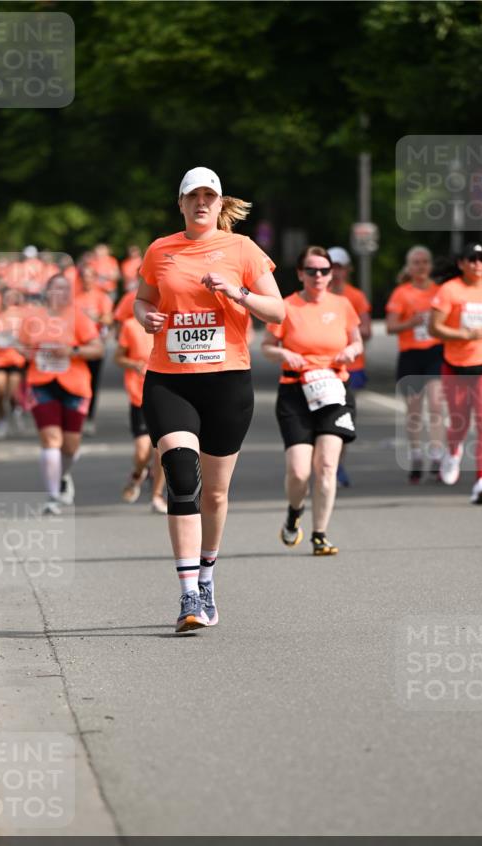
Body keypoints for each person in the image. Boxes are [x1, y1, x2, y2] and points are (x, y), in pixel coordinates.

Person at [135, 166, 284, 631]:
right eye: (193, 196)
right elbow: (142, 300)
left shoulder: (243, 249)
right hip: (170, 380)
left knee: (215, 494)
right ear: (180, 203)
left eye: (209, 196)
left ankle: (206, 577)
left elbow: (277, 311)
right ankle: (187, 597)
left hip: (227, 383)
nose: (201, 203)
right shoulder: (160, 250)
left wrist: (238, 293)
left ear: (220, 204)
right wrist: (145, 318)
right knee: (182, 478)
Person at [262, 246, 362, 556]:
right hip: (296, 392)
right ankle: (294, 512)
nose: (318, 276)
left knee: (327, 465)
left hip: (334, 389)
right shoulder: (286, 306)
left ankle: (320, 534)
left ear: (332, 274)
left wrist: (351, 351)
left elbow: (357, 341)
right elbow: (267, 346)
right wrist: (283, 353)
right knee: (299, 472)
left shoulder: (342, 304)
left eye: (324, 270)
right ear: (300, 274)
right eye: (311, 270)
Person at [430, 242, 482, 505]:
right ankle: (453, 451)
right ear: (461, 263)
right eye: (472, 259)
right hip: (456, 368)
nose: (478, 263)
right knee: (459, 421)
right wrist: (463, 334)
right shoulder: (450, 290)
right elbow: (434, 327)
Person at [17, 274, 104, 514]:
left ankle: (63, 476)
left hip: (75, 385)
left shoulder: (79, 317)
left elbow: (98, 349)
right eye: (56, 288)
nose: (62, 293)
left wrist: (72, 351)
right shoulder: (33, 318)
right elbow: (22, 346)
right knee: (51, 439)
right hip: (41, 382)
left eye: (66, 289)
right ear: (47, 291)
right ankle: (53, 495)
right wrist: (28, 352)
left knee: (70, 447)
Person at [385, 246, 443, 482]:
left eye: (425, 262)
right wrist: (411, 322)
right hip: (410, 355)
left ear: (431, 265)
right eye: (416, 262)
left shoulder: (439, 292)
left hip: (436, 353)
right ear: (409, 267)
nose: (421, 266)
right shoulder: (401, 293)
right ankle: (416, 453)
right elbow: (390, 327)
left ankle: (437, 454)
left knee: (436, 404)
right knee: (414, 409)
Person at [327, 246, 372, 486]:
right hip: (322, 366)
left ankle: (337, 464)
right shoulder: (317, 296)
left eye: (340, 267)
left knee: (343, 416)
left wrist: (343, 331)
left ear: (348, 270)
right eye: (331, 267)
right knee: (324, 415)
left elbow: (367, 330)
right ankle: (326, 462)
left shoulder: (355, 297)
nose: (335, 272)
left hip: (351, 366)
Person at [114, 314, 166, 511]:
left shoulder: (175, 319)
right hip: (140, 395)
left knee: (162, 448)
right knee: (143, 452)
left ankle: (157, 495)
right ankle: (138, 473)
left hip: (167, 393)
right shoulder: (131, 325)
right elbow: (118, 357)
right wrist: (134, 364)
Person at [0, 288, 28, 438]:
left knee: (12, 393)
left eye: (13, 297)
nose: (10, 300)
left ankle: (16, 412)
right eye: (7, 297)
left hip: (16, 359)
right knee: (0, 393)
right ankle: (1, 422)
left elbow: (29, 337)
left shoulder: (23, 316)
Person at [76, 264, 114, 435]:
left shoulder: (101, 297)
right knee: (76, 382)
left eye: (90, 276)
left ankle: (89, 417)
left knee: (92, 383)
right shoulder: (74, 297)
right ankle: (77, 415)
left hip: (94, 345)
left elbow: (108, 319)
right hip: (77, 346)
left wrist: (95, 317)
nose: (87, 280)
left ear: (94, 278)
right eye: (84, 276)